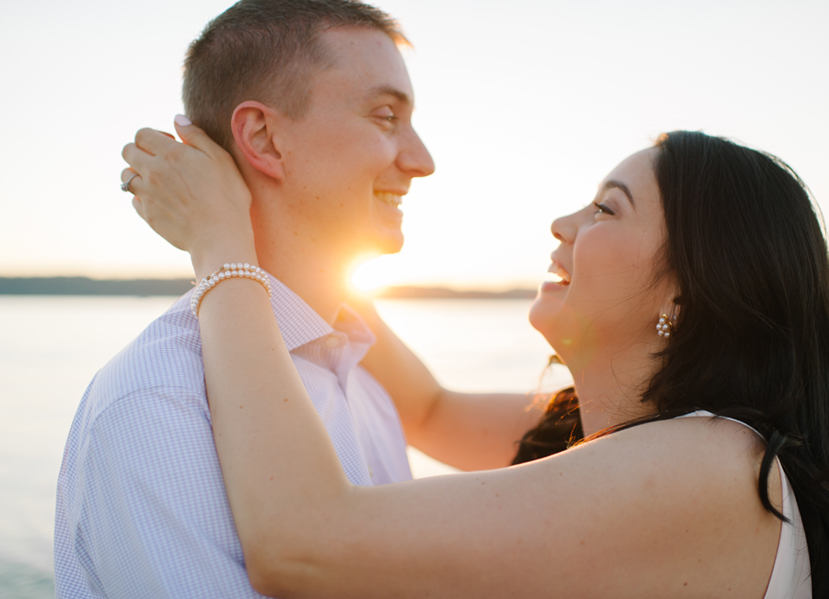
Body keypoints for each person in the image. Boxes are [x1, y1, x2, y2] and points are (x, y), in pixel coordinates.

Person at [126, 125, 829, 597]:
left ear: (688, 296)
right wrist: (301, 230)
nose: (562, 223)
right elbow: (428, 408)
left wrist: (220, 245)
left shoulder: (715, 467)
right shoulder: (585, 432)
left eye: (606, 208)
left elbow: (300, 541)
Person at [56, 1, 539, 596]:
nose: (423, 161)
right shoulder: (160, 402)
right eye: (386, 116)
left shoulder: (364, 380)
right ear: (264, 138)